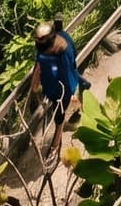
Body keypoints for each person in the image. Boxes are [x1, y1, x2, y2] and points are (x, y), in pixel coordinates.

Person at [30, 20, 83, 152]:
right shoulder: (44, 49)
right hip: (50, 81)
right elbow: (39, 62)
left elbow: (68, 72)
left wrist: (70, 93)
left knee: (59, 112)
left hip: (62, 85)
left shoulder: (64, 49)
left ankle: (56, 141)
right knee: (56, 106)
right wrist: (35, 82)